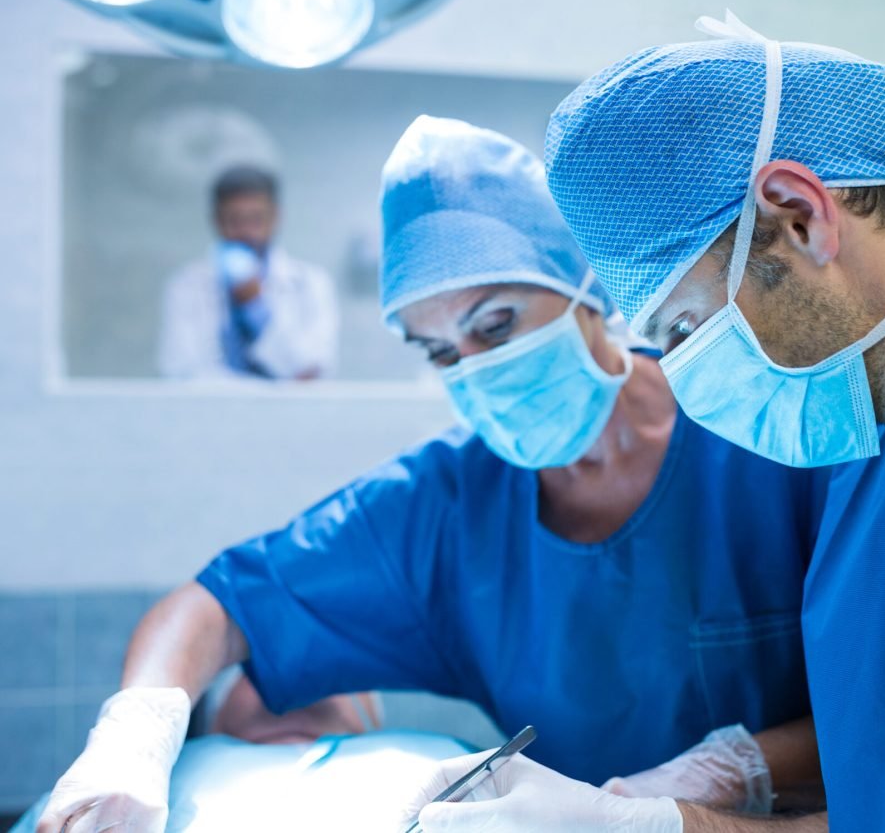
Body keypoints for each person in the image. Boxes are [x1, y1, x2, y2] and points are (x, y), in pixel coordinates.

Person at [38, 117, 826, 833]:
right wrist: (132, 739)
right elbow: (218, 604)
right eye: (440, 350)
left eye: (495, 323)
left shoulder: (760, 426)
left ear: (585, 287)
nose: (475, 367)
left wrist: (728, 774)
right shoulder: (444, 505)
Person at [407, 16, 885, 832]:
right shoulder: (877, 475)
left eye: (687, 328)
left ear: (798, 215)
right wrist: (665, 821)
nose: (686, 382)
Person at [158, 165, 339, 380]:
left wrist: (255, 307)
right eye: (234, 220)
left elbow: (311, 368)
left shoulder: (311, 282)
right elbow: (181, 370)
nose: (245, 231)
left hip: (272, 405)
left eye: (256, 219)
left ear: (275, 217)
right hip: (215, 403)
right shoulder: (186, 285)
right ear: (216, 220)